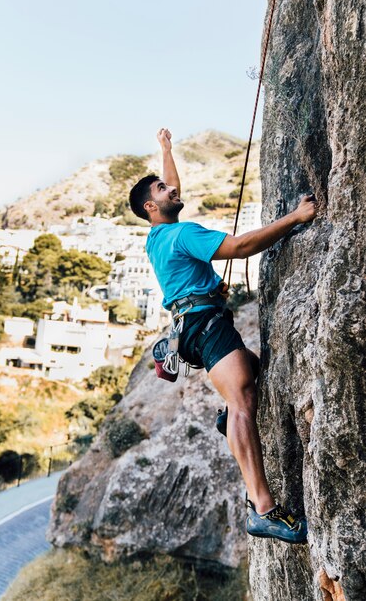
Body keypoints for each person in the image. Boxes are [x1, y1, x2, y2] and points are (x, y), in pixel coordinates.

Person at [129, 128, 318, 544]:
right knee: (243, 400)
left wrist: (166, 150)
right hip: (204, 323)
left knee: (252, 371)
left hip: (193, 324)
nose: (172, 187)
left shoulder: (156, 237)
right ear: (150, 205)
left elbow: (169, 188)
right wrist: (295, 218)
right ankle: (263, 509)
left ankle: (228, 419)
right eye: (163, 188)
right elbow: (242, 245)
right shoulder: (182, 233)